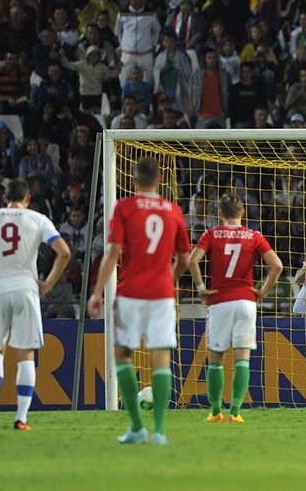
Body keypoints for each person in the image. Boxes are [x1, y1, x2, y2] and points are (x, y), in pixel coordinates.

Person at [87, 157, 191, 446]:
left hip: (130, 292)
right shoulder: (173, 210)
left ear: (134, 180)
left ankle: (135, 426)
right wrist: (170, 278)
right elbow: (184, 258)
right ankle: (158, 431)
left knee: (123, 356)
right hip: (162, 294)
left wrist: (97, 292)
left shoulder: (124, 207)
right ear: (160, 180)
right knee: (161, 362)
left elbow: (114, 252)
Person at [0, 178, 71, 430]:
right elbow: (64, 252)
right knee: (25, 354)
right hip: (25, 289)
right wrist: (49, 282)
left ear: (5, 197)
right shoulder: (38, 219)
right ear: (27, 198)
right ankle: (21, 418)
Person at [188, 194, 283, 423]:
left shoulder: (211, 234)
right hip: (245, 301)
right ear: (242, 213)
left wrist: (201, 287)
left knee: (216, 359)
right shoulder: (254, 236)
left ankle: (215, 410)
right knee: (242, 359)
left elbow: (192, 260)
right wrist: (262, 291)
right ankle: (236, 412)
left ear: (220, 214)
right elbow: (277, 265)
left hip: (219, 301)